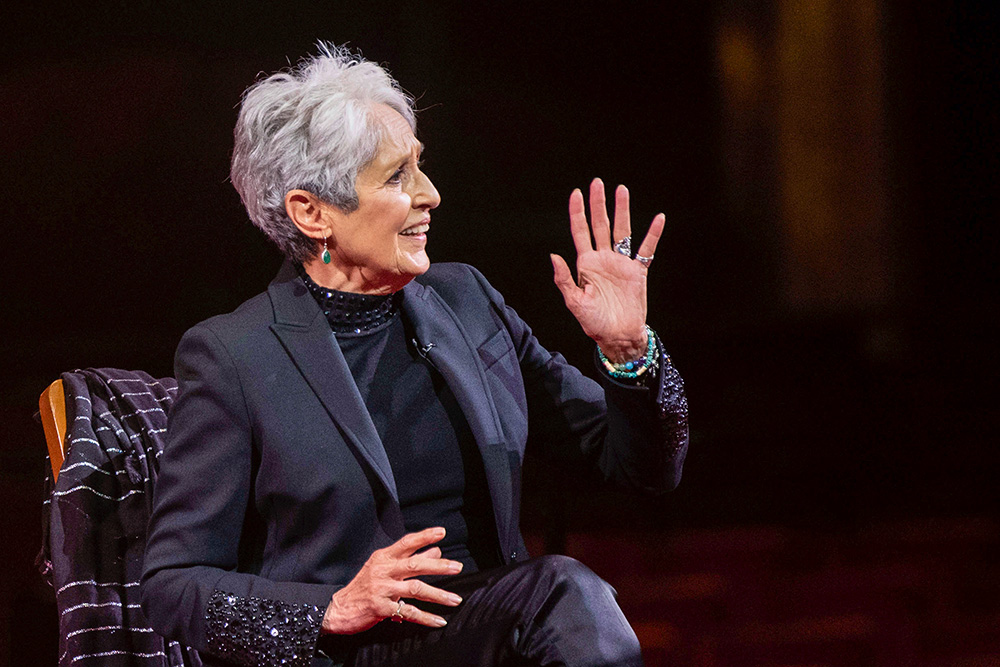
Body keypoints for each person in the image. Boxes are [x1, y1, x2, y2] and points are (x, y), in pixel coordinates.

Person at [140, 43, 689, 667]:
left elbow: (644, 468)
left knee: (560, 598)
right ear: (311, 212)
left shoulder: (466, 302)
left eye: (420, 166)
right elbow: (172, 584)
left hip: (489, 629)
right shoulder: (234, 355)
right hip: (351, 653)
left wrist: (626, 351)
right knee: (562, 590)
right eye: (397, 176)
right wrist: (333, 607)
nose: (430, 194)